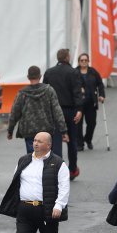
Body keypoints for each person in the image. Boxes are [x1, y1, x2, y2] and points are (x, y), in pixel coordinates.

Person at [0, 132, 70, 233]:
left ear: (48, 145)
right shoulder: (24, 160)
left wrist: (59, 206)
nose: (35, 143)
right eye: (35, 140)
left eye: (40, 141)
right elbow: (15, 181)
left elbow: (64, 186)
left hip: (46, 210)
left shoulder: (58, 163)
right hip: (25, 209)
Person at [7, 65, 68, 155]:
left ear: (28, 77)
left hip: (29, 131)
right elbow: (57, 111)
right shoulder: (49, 90)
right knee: (46, 157)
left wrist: (10, 130)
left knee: (32, 159)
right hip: (46, 130)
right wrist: (63, 130)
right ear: (40, 76)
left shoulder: (22, 93)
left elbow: (14, 113)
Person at [44, 49, 84, 179]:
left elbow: (44, 92)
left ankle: (57, 170)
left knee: (55, 141)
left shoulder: (49, 72)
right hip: (70, 110)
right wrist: (79, 110)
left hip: (53, 111)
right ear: (67, 57)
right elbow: (77, 92)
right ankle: (72, 169)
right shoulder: (73, 72)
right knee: (72, 141)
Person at [75, 53, 105, 151]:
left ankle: (88, 139)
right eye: (82, 60)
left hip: (91, 102)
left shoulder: (93, 72)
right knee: (78, 124)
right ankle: (79, 143)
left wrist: (101, 95)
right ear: (78, 62)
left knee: (92, 123)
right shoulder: (74, 72)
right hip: (78, 103)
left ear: (88, 61)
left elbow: (100, 84)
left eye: (85, 60)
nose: (84, 62)